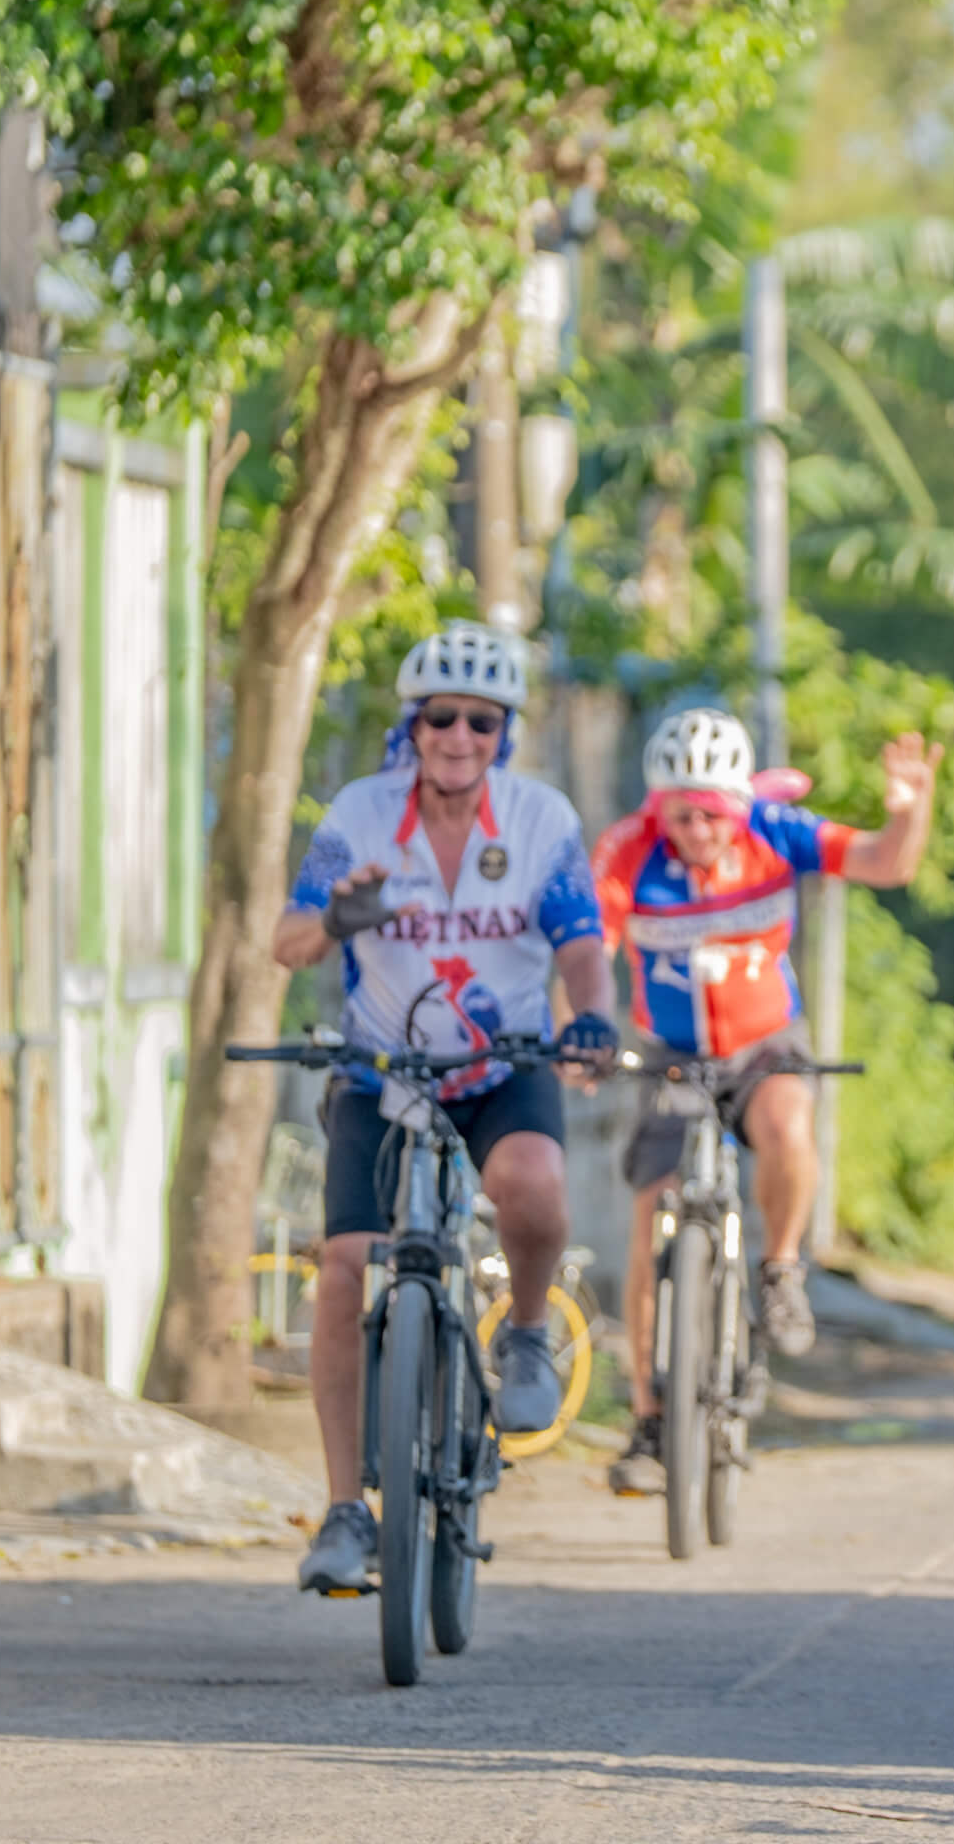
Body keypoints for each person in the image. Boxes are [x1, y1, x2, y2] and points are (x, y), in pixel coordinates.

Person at [275, 622, 617, 1593]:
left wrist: (591, 1017)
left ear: (502, 730)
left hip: (500, 1062)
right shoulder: (358, 815)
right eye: (439, 718)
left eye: (479, 719)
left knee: (533, 1181)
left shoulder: (541, 819)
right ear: (413, 726)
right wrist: (343, 915)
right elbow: (287, 939)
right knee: (344, 1266)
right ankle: (346, 1512)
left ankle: (524, 1334)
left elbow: (582, 942)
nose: (458, 736)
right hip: (381, 1069)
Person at [590, 708, 942, 1496]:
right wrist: (577, 1031)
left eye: (711, 813)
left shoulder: (778, 832)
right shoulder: (628, 849)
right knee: (650, 1225)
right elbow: (591, 944)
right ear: (658, 808)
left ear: (737, 804)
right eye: (679, 813)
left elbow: (886, 864)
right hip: (669, 1050)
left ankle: (781, 1270)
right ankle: (649, 1420)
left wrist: (908, 809)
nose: (696, 830)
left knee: (788, 1118)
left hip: (763, 1041)